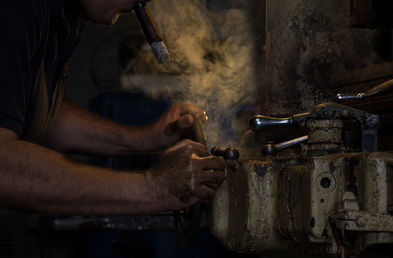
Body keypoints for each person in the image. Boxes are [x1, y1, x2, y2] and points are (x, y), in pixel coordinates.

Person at [0, 0, 225, 215]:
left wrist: (144, 140)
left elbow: (42, 114)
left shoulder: (67, 15)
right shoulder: (17, 8)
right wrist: (152, 188)